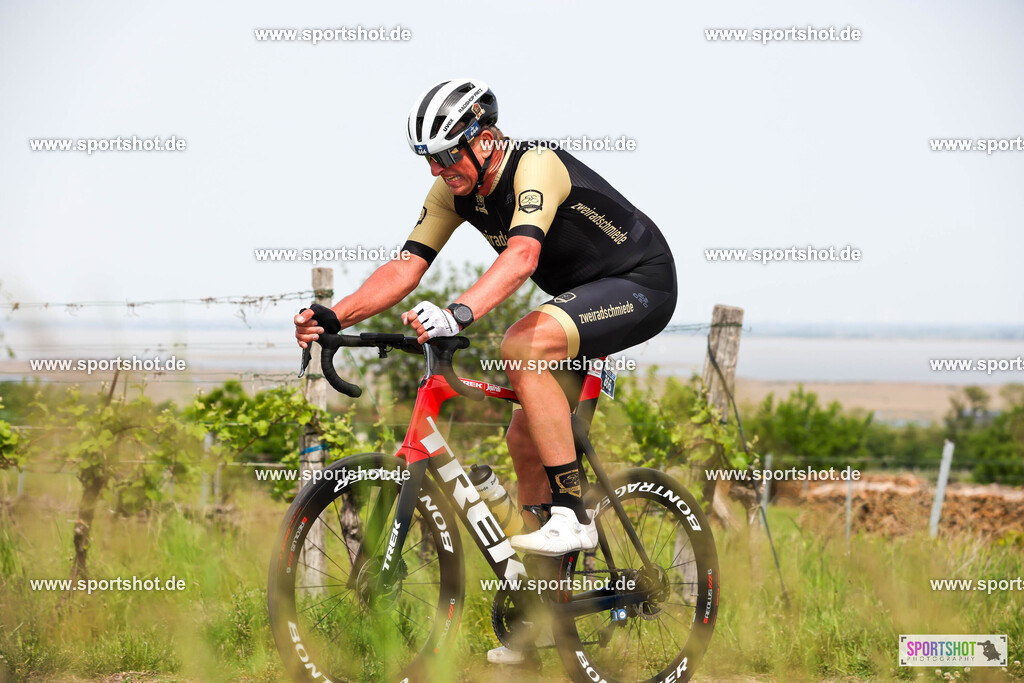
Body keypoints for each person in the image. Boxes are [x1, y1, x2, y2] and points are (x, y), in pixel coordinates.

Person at [294, 77, 677, 662]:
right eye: (428, 158)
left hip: (640, 283)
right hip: (576, 305)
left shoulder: (536, 166)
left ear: (487, 139)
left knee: (524, 342)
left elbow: (522, 257)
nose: (437, 170)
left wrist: (458, 313)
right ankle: (541, 612)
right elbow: (405, 266)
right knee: (525, 439)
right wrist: (333, 313)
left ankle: (574, 517)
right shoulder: (454, 193)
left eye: (448, 155)